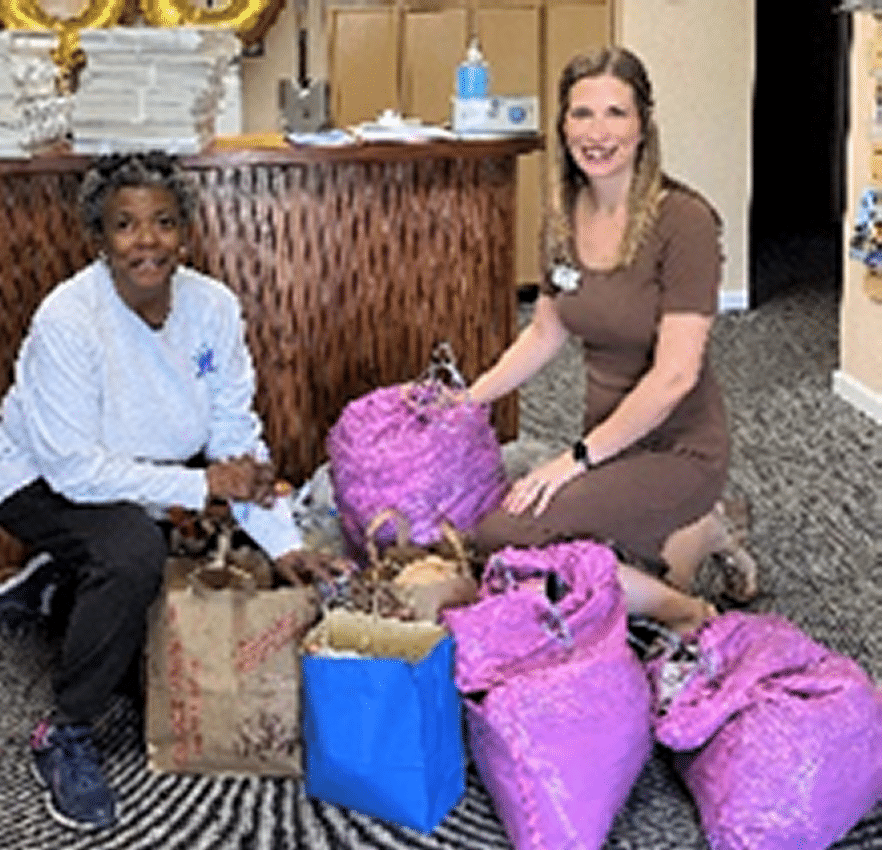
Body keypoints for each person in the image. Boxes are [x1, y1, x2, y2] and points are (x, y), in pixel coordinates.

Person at [0, 151, 316, 831]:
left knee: (160, 549)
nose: (147, 241)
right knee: (134, 555)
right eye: (125, 226)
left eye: (163, 223)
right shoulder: (68, 321)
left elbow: (237, 434)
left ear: (186, 231)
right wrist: (203, 484)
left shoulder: (214, 308)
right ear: (99, 239)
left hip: (142, 472)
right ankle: (66, 732)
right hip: (38, 476)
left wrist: (285, 542)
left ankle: (54, 586)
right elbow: (74, 471)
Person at [467, 47, 756, 634]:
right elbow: (546, 332)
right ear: (563, 125)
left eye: (615, 114)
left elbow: (675, 376)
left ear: (644, 124)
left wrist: (573, 462)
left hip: (678, 448)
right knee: (571, 568)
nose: (597, 133)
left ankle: (689, 611)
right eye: (581, 115)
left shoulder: (685, 222)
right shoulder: (560, 217)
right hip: (608, 443)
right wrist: (468, 400)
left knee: (502, 538)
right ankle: (702, 534)